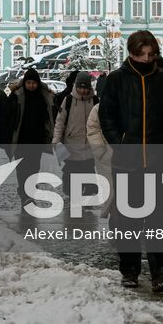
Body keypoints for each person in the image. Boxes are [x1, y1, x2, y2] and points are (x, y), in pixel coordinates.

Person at [99, 30, 163, 293]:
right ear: (132, 53)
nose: (147, 59)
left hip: (158, 159)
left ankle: (161, 272)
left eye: (151, 54)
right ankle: (130, 269)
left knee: (155, 216)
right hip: (127, 160)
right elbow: (107, 115)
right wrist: (118, 142)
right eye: (141, 54)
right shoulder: (117, 80)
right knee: (128, 218)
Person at [53, 71, 110, 228]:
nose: (83, 91)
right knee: (71, 172)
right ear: (76, 86)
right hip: (71, 145)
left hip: (90, 146)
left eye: (86, 88)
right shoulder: (69, 100)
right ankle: (73, 196)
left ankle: (84, 197)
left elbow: (101, 122)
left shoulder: (95, 100)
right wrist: (56, 140)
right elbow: (60, 122)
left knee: (88, 173)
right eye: (81, 88)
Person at [6, 67, 57, 206]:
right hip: (21, 140)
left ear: (38, 83)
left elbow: (51, 114)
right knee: (22, 168)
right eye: (28, 82)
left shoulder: (44, 96)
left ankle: (29, 191)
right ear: (25, 83)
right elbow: (8, 116)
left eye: (34, 83)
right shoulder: (17, 96)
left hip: (37, 139)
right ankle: (24, 193)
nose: (31, 85)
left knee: (34, 168)